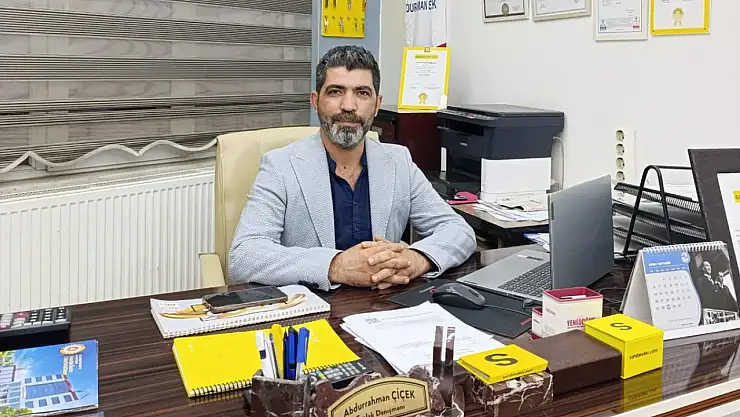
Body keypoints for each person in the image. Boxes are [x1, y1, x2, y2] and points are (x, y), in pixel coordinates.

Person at [229, 45, 476, 291]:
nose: (348, 106)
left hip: (385, 304)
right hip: (315, 305)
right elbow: (244, 255)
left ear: (377, 105)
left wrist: (416, 259)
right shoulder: (281, 166)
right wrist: (336, 266)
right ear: (316, 101)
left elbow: (458, 230)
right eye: (336, 92)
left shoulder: (398, 162)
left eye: (362, 93)